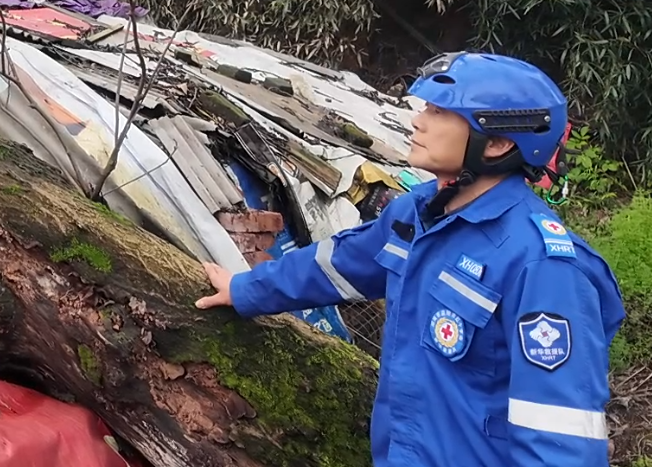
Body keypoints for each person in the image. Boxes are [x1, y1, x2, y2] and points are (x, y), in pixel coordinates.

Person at [196, 52, 625, 467]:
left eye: (439, 112)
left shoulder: (542, 266)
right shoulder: (417, 214)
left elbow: (560, 437)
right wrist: (244, 289)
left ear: (497, 143)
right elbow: (334, 266)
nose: (418, 121)